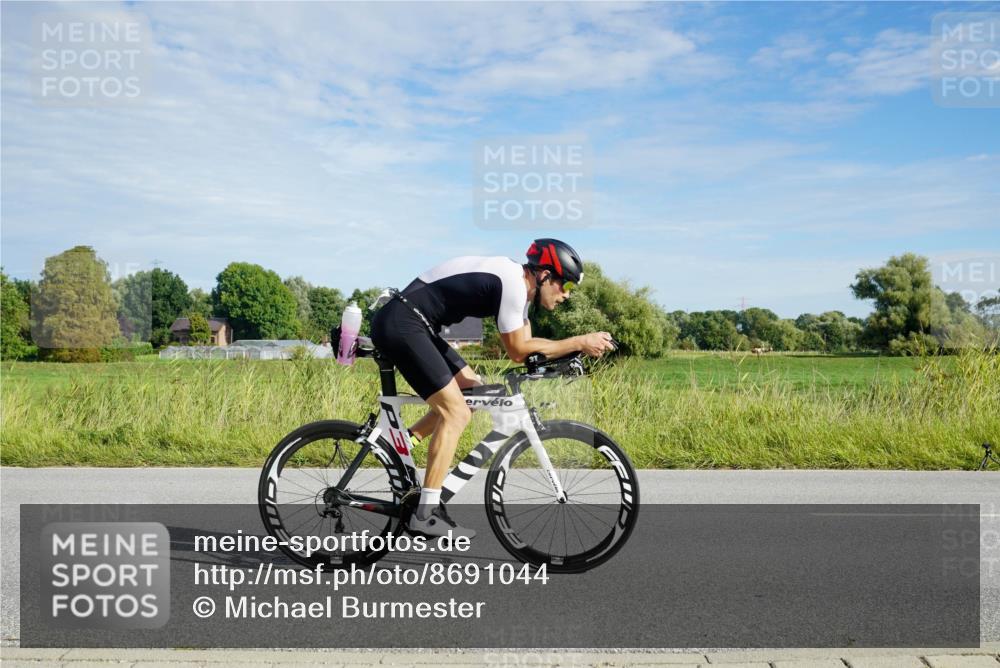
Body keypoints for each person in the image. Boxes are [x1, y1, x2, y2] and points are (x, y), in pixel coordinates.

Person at [370, 239, 615, 539]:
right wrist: (578, 341)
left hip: (416, 324)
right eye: (565, 286)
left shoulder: (520, 292)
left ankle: (404, 444)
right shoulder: (512, 283)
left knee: (474, 392)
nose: (565, 295)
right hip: (403, 324)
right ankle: (425, 514)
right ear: (544, 276)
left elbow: (529, 353)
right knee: (456, 413)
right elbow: (517, 350)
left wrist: (567, 356)